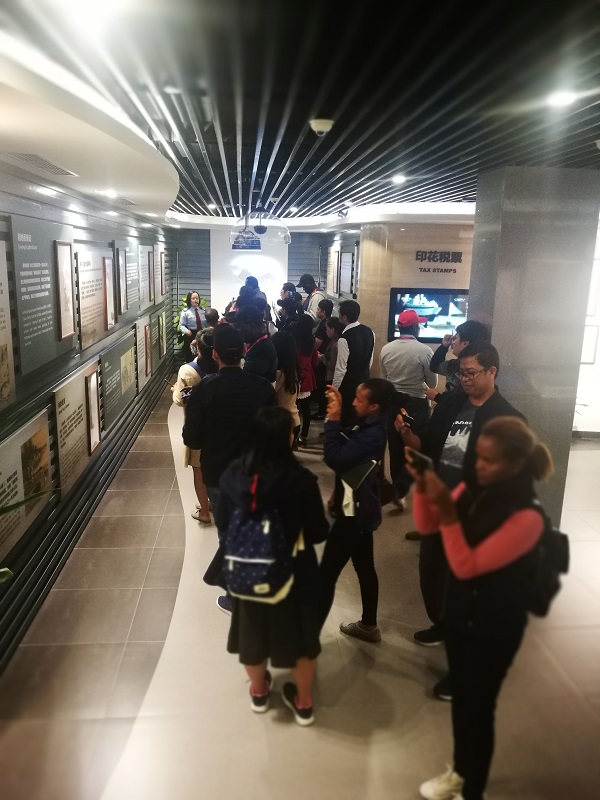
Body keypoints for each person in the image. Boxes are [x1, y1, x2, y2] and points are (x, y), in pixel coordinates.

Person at [410, 416, 553, 800]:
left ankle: (472, 790)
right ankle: (460, 773)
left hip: (494, 626)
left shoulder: (528, 517)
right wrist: (424, 488)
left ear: (516, 464)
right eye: (478, 457)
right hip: (461, 614)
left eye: (489, 460)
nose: (479, 466)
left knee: (478, 709)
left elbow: (466, 565)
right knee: (463, 703)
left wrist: (449, 514)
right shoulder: (474, 487)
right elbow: (428, 526)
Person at [395, 343, 524, 700]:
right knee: (432, 578)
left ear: (492, 372)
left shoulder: (507, 420)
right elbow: (427, 445)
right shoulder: (452, 404)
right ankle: (442, 626)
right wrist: (406, 434)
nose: (464, 380)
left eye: (471, 373)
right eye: (461, 373)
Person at [215, 406, 329, 726]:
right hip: (295, 571)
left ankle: (259, 691)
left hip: (249, 570)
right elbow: (318, 533)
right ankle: (303, 703)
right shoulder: (301, 481)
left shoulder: (233, 476)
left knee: (252, 636)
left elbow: (224, 526)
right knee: (302, 642)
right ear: (287, 438)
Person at [182, 325, 277, 613]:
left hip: (219, 472)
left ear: (215, 354)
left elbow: (192, 438)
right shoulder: (263, 388)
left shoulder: (204, 390)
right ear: (245, 351)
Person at [319, 378, 396, 643]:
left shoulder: (373, 434)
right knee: (364, 566)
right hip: (355, 506)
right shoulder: (368, 425)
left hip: (354, 512)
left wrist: (333, 420)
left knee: (326, 574)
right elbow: (347, 453)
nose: (354, 402)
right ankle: (368, 625)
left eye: (359, 400)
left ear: (374, 406)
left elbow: (336, 457)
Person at [379, 308, 438, 503]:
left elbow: (385, 379)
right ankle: (406, 485)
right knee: (418, 446)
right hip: (417, 403)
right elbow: (432, 383)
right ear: (414, 328)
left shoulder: (386, 349)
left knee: (395, 447)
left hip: (393, 403)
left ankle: (398, 489)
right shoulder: (425, 351)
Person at [171, 329, 218, 524]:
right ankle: (214, 503)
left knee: (198, 470)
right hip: (218, 428)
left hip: (197, 428)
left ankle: (205, 512)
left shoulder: (186, 371)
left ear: (197, 347)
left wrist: (176, 390)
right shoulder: (223, 367)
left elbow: (180, 400)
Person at [332, 299, 375, 426]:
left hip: (348, 386)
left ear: (344, 317)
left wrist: (334, 389)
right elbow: (370, 360)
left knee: (346, 418)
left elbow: (341, 368)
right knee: (361, 418)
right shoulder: (370, 332)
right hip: (364, 381)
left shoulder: (344, 338)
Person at [426, 320, 491, 402]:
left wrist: (437, 397)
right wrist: (444, 346)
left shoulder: (476, 371)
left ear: (465, 343)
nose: (453, 342)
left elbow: (463, 403)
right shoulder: (454, 364)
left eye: (455, 338)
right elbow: (435, 367)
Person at [271, 329, 301, 446]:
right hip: (294, 419)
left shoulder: (278, 374)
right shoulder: (294, 371)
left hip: (281, 423)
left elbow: (270, 393)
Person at [293, 313, 320, 445]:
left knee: (293, 409)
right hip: (307, 376)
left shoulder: (293, 340)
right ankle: (304, 436)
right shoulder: (311, 342)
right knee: (306, 409)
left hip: (294, 375)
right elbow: (315, 361)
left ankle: (293, 435)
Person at [234, 304, 278, 383]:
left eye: (240, 326)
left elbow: (245, 383)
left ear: (251, 325)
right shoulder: (263, 344)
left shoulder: (261, 352)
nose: (238, 330)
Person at [312, 298, 334, 419]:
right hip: (325, 357)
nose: (316, 311)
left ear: (324, 311)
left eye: (318, 309)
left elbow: (317, 343)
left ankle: (321, 411)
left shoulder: (323, 326)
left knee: (321, 385)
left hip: (322, 358)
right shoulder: (330, 322)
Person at [179, 290, 205, 362]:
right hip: (191, 334)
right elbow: (181, 325)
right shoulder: (185, 312)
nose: (195, 300)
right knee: (191, 356)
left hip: (202, 334)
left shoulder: (203, 311)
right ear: (189, 300)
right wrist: (186, 331)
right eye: (193, 298)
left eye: (197, 298)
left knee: (202, 354)